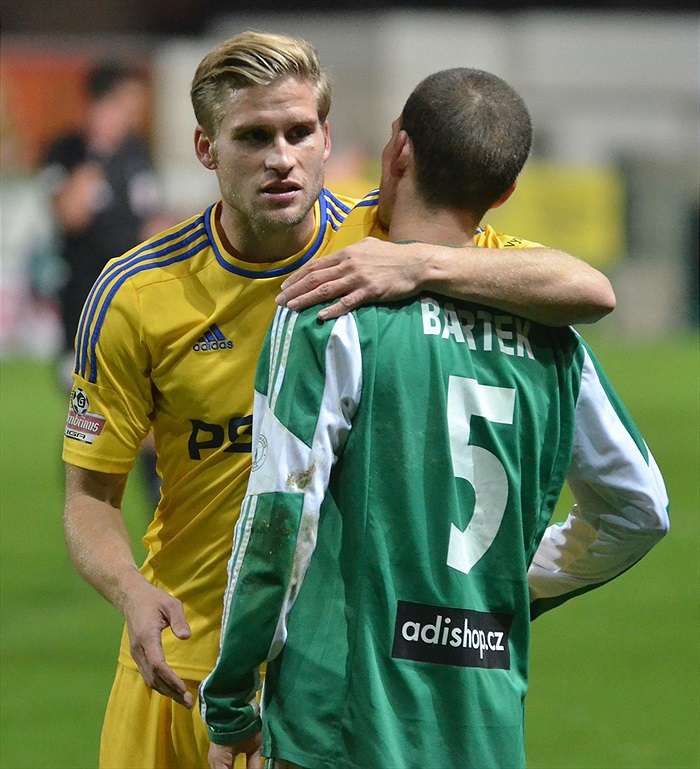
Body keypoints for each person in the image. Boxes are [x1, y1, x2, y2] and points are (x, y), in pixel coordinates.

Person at [61, 32, 615, 769]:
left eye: (298, 132)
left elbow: (586, 288)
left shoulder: (380, 237)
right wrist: (130, 589)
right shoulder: (136, 295)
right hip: (181, 661)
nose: (280, 157)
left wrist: (417, 262)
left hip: (316, 685)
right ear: (205, 148)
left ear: (327, 138)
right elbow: (89, 498)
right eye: (253, 137)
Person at [199, 67, 669, 769]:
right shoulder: (556, 343)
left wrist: (231, 697)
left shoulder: (331, 311)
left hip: (342, 725)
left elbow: (278, 521)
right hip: (483, 728)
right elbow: (642, 509)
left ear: (398, 152)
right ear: (505, 193)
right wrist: (505, 583)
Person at [42, 58, 167, 506]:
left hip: (133, 308)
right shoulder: (67, 151)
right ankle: (88, 508)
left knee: (151, 418)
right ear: (105, 101)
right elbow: (70, 214)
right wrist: (97, 151)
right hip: (83, 315)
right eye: (131, 99)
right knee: (91, 422)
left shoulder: (136, 152)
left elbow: (151, 223)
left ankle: (162, 520)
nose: (140, 107)